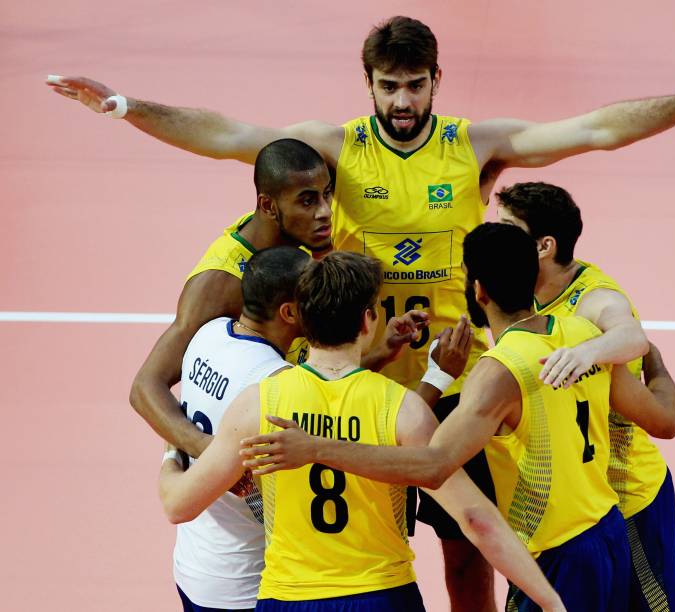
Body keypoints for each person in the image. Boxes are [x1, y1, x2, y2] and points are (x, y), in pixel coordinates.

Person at [47, 16, 675, 608]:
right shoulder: (335, 146)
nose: (401, 101)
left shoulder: (470, 143)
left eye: (414, 86)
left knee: (468, 549)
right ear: (368, 84)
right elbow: (229, 138)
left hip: (452, 380)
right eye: (388, 86)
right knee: (319, 538)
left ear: (434, 83)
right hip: (350, 369)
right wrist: (124, 107)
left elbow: (593, 130)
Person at [240, 224, 675, 611]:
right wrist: (657, 367)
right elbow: (664, 420)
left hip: (556, 554)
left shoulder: (499, 371)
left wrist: (316, 448)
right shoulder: (583, 336)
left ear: (479, 291)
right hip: (608, 533)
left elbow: (432, 466)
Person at [158, 250, 566, 612]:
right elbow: (477, 520)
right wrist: (549, 601)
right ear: (369, 320)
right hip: (382, 595)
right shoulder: (403, 410)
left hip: (289, 596)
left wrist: (172, 448)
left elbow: (179, 505)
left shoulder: (259, 403)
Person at [128, 138, 430, 462]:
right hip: (252, 471)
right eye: (307, 201)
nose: (325, 212)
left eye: (327, 194)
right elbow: (146, 387)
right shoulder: (221, 283)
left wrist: (382, 351)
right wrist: (207, 451)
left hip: (296, 431)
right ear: (269, 206)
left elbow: (310, 378)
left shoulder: (292, 245)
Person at [496, 182, 675, 610]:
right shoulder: (518, 294)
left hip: (626, 494)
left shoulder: (593, 296)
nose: (498, 235)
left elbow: (631, 335)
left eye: (508, 228)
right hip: (565, 507)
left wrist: (585, 353)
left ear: (544, 246)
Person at [172, 246, 308, 612]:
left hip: (196, 562)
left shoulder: (210, 333)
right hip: (247, 580)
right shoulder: (273, 381)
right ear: (290, 312)